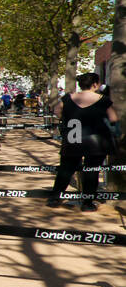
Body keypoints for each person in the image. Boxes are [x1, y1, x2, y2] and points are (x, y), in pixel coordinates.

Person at [49, 73, 117, 211]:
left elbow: (57, 111)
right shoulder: (103, 99)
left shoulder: (68, 98)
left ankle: (55, 198)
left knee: (66, 170)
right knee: (91, 172)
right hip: (96, 141)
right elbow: (113, 118)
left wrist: (67, 118)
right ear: (95, 84)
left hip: (72, 139)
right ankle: (87, 203)